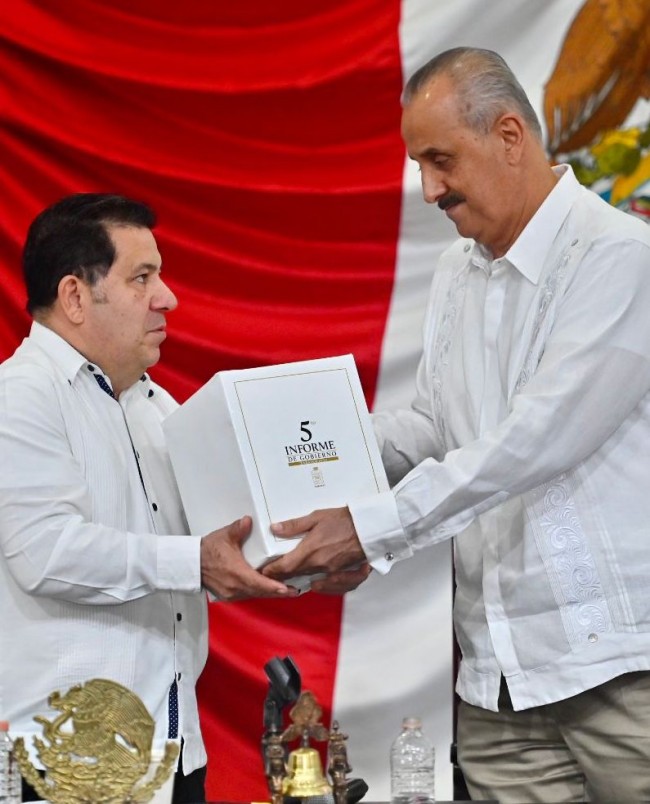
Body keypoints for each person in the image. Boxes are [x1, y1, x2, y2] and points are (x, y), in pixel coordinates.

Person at [263, 47, 650, 803]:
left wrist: (369, 529)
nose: (429, 188)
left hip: (622, 672)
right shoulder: (457, 271)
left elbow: (533, 444)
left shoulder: (621, 259)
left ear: (510, 135)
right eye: (418, 163)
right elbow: (436, 427)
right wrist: (295, 451)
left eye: (441, 160)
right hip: (496, 685)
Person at [0, 193, 297, 804]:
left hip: (176, 745)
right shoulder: (19, 396)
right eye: (143, 278)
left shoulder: (155, 405)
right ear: (76, 296)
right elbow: (47, 551)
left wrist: (306, 552)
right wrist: (196, 562)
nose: (168, 298)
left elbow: (227, 536)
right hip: (70, 762)